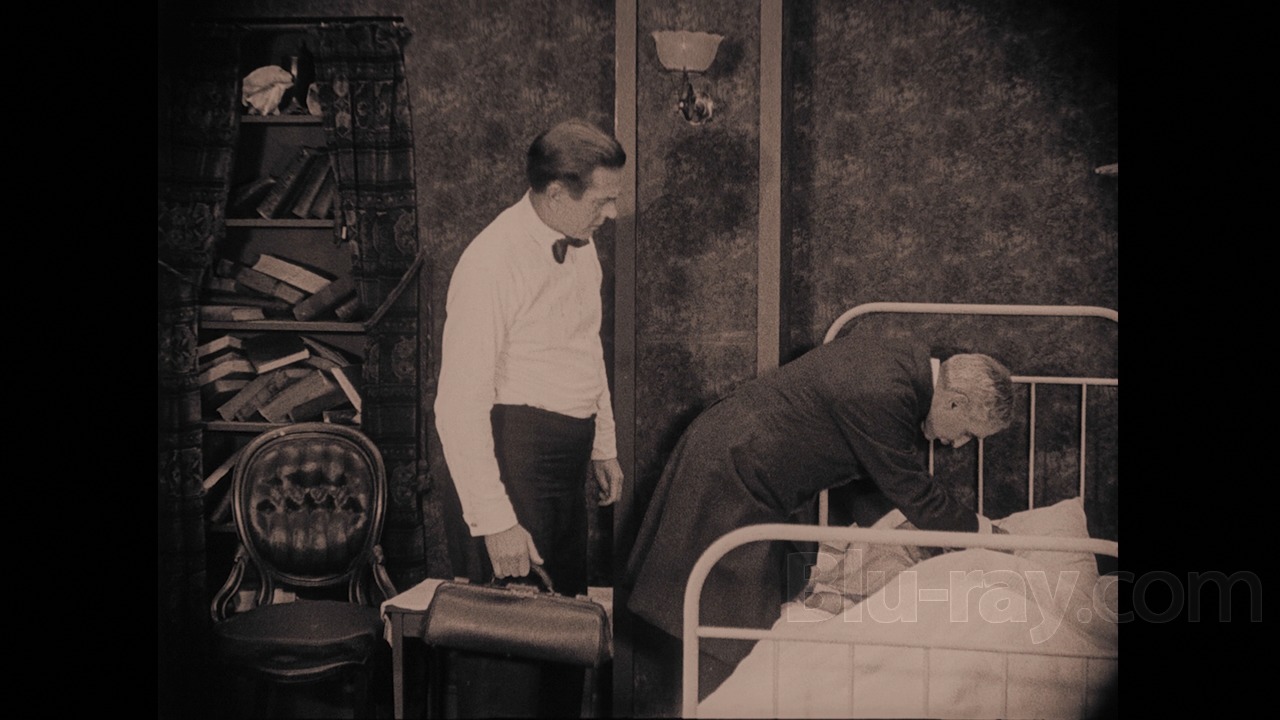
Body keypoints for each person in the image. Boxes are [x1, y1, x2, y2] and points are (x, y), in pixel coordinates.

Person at [622, 323, 1015, 709]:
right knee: (726, 628)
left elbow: (872, 479)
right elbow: (912, 490)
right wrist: (988, 535)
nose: (957, 444)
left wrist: (913, 535)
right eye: (968, 433)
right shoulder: (887, 393)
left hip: (740, 460)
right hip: (734, 470)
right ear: (954, 402)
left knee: (732, 617)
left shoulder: (897, 362)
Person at [434, 118, 626, 717]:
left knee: (561, 635)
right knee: (509, 654)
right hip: (511, 455)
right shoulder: (491, 261)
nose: (612, 213)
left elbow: (585, 346)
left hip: (564, 458)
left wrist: (602, 444)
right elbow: (457, 405)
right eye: (602, 201)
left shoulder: (582, 245)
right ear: (555, 192)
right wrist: (496, 521)